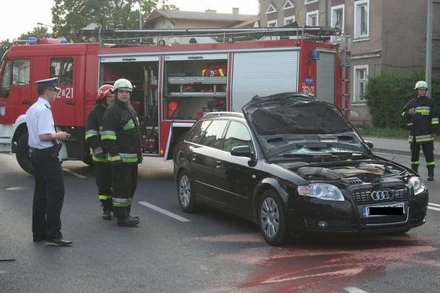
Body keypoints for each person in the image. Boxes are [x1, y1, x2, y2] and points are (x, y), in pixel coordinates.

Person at [25, 77, 72, 246]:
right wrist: (59, 135)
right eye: (55, 90)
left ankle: (38, 233)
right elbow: (44, 136)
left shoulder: (32, 108)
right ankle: (53, 233)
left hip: (36, 154)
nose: (57, 93)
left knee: (40, 195)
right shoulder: (44, 109)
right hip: (46, 155)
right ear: (48, 91)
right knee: (56, 192)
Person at [101, 78, 143, 227]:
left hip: (132, 160)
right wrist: (115, 157)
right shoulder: (112, 112)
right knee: (121, 189)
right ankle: (121, 217)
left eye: (127, 92)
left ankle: (126, 213)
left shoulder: (129, 109)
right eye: (122, 92)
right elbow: (107, 137)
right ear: (116, 92)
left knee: (130, 189)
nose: (125, 94)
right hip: (121, 161)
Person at [85, 84, 115, 220]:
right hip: (101, 158)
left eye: (114, 96)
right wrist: (98, 150)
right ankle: (106, 208)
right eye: (110, 96)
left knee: (117, 184)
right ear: (102, 97)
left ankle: (117, 208)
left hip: (115, 156)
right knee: (104, 185)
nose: (112, 99)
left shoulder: (117, 111)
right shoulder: (94, 113)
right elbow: (91, 134)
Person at [402, 80, 439, 181]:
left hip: (426, 135)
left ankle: (431, 174)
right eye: (420, 90)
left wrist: (435, 130)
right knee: (414, 157)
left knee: (429, 157)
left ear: (426, 91)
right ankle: (415, 173)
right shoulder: (412, 102)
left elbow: (434, 117)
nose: (422, 91)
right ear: (417, 90)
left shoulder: (431, 102)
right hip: (414, 136)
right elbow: (403, 114)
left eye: (424, 90)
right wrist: (408, 112)